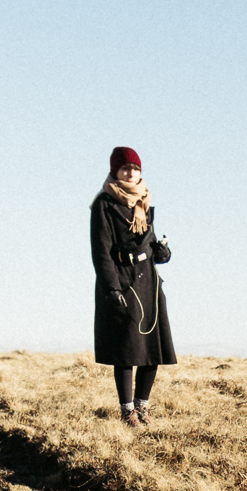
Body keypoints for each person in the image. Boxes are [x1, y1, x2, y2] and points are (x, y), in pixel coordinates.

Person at [91, 145, 175, 423]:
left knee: (153, 350)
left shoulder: (145, 204)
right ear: (115, 171)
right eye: (125, 168)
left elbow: (148, 243)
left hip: (148, 282)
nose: (131, 173)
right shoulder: (103, 204)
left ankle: (143, 407)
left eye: (135, 169)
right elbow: (101, 251)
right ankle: (127, 411)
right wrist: (111, 289)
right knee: (126, 351)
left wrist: (161, 253)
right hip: (122, 283)